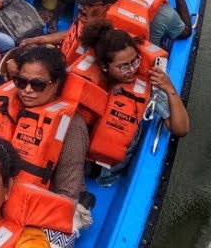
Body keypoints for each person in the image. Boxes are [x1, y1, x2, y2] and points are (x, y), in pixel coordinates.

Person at [0, 45, 92, 248]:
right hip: (0, 190)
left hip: (42, 202)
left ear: (56, 84)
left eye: (38, 85)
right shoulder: (5, 105)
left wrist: (20, 216)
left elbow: (66, 194)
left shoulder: (71, 127)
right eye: (22, 82)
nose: (28, 91)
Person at [81, 28, 189, 180]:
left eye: (135, 61)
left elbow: (181, 129)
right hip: (79, 152)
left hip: (104, 169)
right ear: (105, 66)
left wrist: (170, 88)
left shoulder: (146, 89)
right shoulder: (86, 79)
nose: (132, 70)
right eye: (123, 67)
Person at [18, 0, 119, 65]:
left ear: (107, 8)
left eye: (88, 4)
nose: (80, 7)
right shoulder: (91, 20)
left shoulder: (106, 41)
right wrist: (38, 40)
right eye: (82, 1)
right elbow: (71, 35)